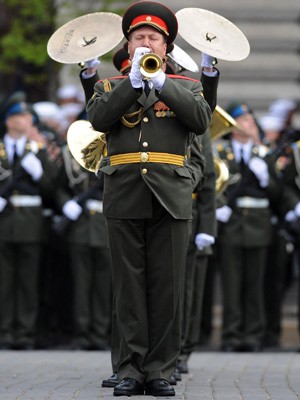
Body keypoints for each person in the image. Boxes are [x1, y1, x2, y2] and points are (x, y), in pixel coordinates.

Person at [86, 1, 212, 396]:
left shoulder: (188, 87)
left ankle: (159, 369)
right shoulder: (110, 85)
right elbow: (98, 118)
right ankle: (129, 369)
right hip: (124, 192)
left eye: (153, 38)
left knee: (167, 287)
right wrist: (133, 84)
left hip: (171, 195)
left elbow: (200, 119)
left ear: (165, 47)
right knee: (128, 288)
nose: (145, 42)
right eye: (139, 37)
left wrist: (160, 84)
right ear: (129, 43)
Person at [215, 100, 281, 352]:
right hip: (231, 223)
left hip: (258, 223)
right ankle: (231, 335)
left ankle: (253, 334)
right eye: (243, 121)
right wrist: (220, 205)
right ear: (232, 126)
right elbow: (215, 182)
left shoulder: (264, 154)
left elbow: (277, 193)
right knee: (232, 284)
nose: (249, 124)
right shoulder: (221, 152)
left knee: (255, 283)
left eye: (251, 121)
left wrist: (266, 176)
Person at [0, 93, 54, 350]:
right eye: (20, 116)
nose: (26, 120)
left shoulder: (37, 150)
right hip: (4, 222)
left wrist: (40, 173)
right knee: (5, 280)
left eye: (27, 116)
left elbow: (51, 189)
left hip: (30, 223)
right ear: (8, 120)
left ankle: (26, 332)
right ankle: (6, 331)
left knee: (28, 281)